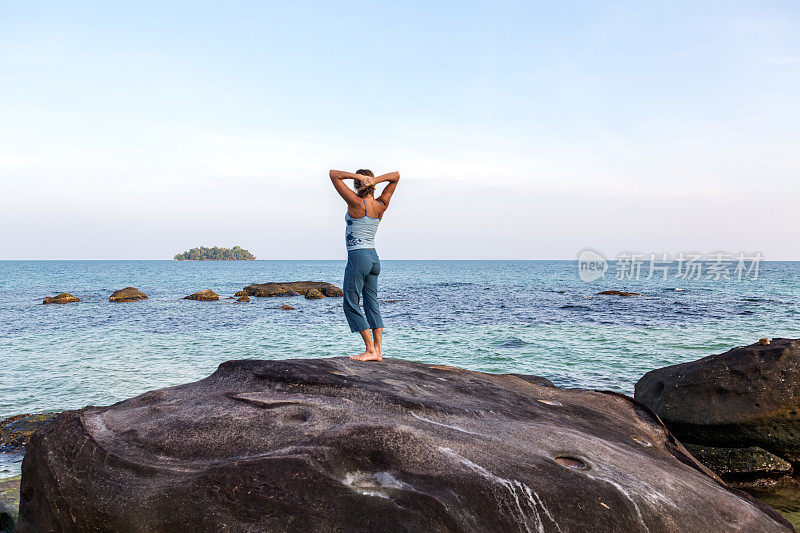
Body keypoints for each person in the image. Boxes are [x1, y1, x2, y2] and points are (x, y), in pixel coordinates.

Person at [329, 169, 400, 361]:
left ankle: (369, 349)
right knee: (371, 303)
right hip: (374, 258)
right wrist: (374, 180)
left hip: (358, 256)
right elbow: (396, 176)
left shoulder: (355, 202)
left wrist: (359, 178)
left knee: (350, 304)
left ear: (357, 185)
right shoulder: (381, 205)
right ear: (374, 186)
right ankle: (378, 351)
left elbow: (333, 174)